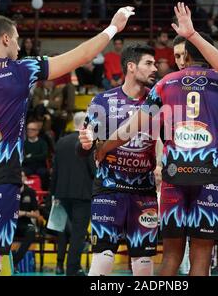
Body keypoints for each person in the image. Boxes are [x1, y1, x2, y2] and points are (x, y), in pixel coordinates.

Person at [0, 6, 135, 276]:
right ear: (6, 39)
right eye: (18, 38)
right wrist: (113, 27)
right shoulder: (22, 69)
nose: (20, 46)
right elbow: (82, 55)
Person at [92, 3, 218, 276]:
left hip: (174, 176)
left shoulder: (164, 84)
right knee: (200, 259)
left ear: (186, 56)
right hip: (209, 176)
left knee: (171, 258)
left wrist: (104, 147)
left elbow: (132, 127)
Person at [78, 44, 159, 276]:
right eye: (149, 63)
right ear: (131, 67)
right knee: (103, 256)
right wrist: (84, 144)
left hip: (144, 191)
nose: (155, 68)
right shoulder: (103, 100)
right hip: (109, 188)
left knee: (144, 260)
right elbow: (83, 148)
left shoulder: (157, 103)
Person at [51, 112, 95, 276]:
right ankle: (73, 268)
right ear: (85, 124)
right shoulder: (87, 141)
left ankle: (62, 265)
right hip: (83, 194)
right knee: (78, 233)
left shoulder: (61, 142)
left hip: (62, 193)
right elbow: (92, 169)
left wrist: (52, 194)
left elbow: (54, 171)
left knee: (64, 231)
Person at [12, 172, 40, 269]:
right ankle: (5, 260)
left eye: (22, 176)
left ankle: (15, 260)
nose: (20, 178)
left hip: (25, 223)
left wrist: (23, 213)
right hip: (12, 223)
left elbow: (37, 214)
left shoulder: (30, 192)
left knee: (31, 231)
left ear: (25, 178)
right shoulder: (9, 191)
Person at [23, 121, 49, 190]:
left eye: (32, 129)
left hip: (40, 167)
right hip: (27, 167)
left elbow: (44, 156)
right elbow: (23, 158)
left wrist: (30, 156)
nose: (30, 131)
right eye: (28, 129)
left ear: (37, 131)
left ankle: (44, 194)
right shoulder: (23, 143)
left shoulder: (43, 143)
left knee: (44, 173)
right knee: (20, 173)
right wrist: (36, 156)